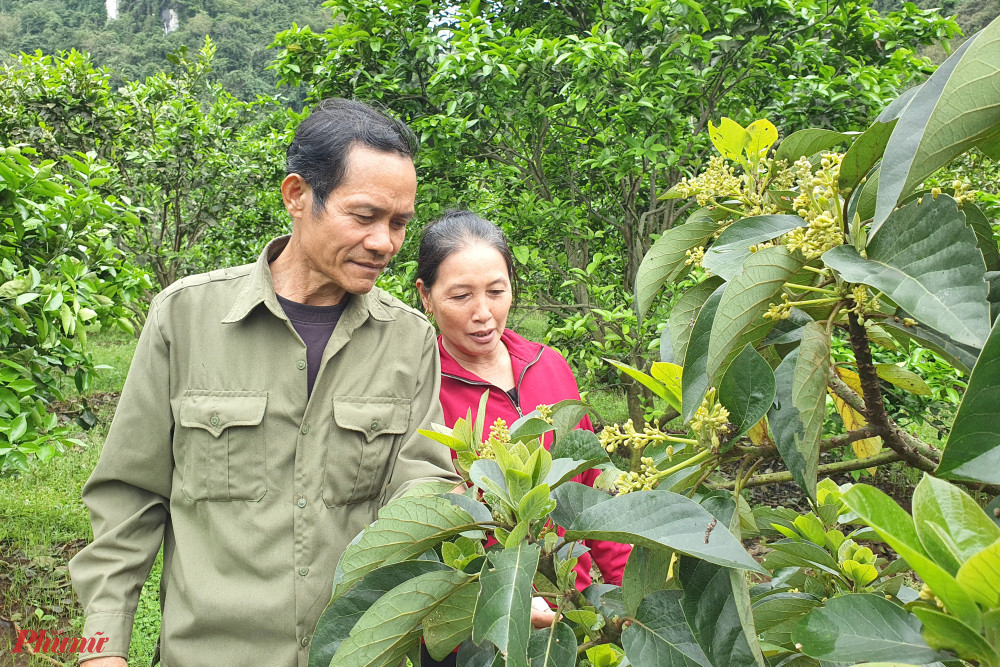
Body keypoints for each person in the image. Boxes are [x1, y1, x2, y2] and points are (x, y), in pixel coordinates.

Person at [69, 98, 463, 667]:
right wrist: (99, 649)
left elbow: (419, 492)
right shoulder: (185, 319)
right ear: (297, 196)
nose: (385, 243)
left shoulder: (408, 340)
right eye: (365, 216)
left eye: (399, 223)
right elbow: (129, 496)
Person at [415, 210, 632, 665]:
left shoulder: (547, 364)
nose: (483, 314)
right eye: (460, 296)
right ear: (426, 297)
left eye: (497, 292)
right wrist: (503, 602)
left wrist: (623, 592)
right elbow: (429, 526)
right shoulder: (419, 386)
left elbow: (593, 487)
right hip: (477, 633)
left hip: (574, 613)